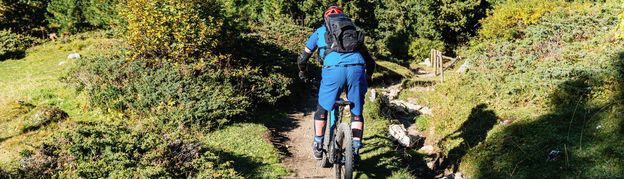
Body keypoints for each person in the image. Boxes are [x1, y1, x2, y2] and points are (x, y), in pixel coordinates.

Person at [297, 6, 375, 164]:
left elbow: (303, 57)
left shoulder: (319, 32)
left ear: (326, 20)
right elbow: (370, 61)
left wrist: (303, 71)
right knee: (357, 112)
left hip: (333, 69)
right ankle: (355, 149)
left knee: (322, 108)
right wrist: (367, 76)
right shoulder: (352, 32)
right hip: (357, 69)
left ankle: (318, 143)